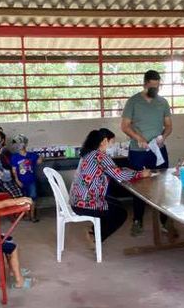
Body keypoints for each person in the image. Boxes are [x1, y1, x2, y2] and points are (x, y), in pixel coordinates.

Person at [70, 128, 153, 246]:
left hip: (77, 200)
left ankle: (94, 230)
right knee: (121, 214)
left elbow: (112, 170)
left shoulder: (88, 153)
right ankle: (96, 238)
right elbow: (119, 175)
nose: (112, 147)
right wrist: (141, 174)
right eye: (112, 143)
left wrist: (125, 171)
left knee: (115, 203)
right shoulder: (100, 156)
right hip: (85, 203)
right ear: (104, 141)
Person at [121, 69, 176, 238]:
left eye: (158, 86)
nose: (155, 89)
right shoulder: (133, 101)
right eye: (153, 86)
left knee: (163, 184)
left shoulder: (163, 102)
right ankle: (137, 220)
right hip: (138, 151)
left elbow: (168, 126)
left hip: (158, 150)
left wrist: (163, 137)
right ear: (145, 84)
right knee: (139, 185)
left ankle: (165, 221)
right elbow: (125, 126)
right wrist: (138, 138)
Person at [10, 134, 42, 222]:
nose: (17, 145)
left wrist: (39, 159)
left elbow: (39, 159)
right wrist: (17, 180)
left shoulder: (32, 155)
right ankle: (27, 215)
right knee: (24, 198)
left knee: (33, 198)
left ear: (24, 144)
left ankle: (32, 216)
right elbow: (14, 170)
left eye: (19, 143)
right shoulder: (14, 157)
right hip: (21, 181)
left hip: (31, 181)